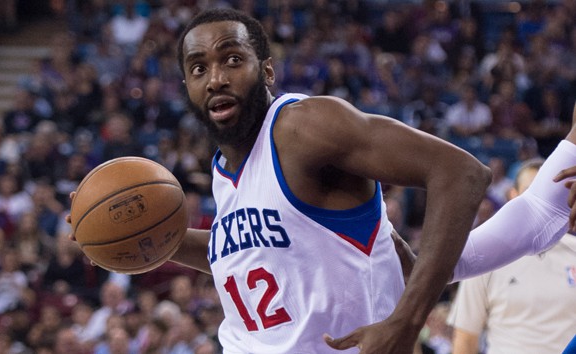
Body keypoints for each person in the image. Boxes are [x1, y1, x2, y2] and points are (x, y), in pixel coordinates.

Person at [68, 8, 576, 354]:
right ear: (186, 86)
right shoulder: (226, 172)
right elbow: (246, 255)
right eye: (199, 67)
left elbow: (461, 173)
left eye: (231, 59)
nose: (216, 77)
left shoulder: (303, 127)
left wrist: (407, 320)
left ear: (266, 71)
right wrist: (148, 241)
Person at [448, 158, 576, 354]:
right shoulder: (485, 255)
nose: (543, 203)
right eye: (531, 193)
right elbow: (465, 339)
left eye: (551, 194)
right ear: (513, 196)